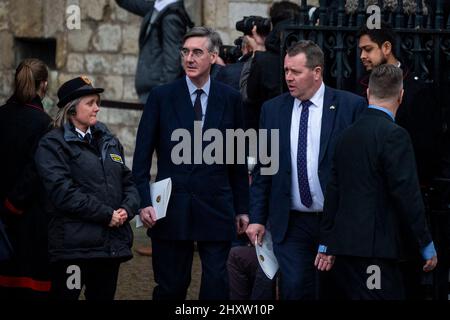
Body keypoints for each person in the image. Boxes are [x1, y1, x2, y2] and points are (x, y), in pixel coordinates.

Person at [133, 26, 249, 300]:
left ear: (213, 56)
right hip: (170, 208)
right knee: (171, 287)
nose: (189, 58)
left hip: (217, 207)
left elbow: (237, 159)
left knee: (216, 286)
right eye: (185, 52)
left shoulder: (230, 99)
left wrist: (242, 208)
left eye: (197, 52)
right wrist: (143, 202)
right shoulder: (161, 97)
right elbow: (140, 159)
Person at [246, 40, 367, 300]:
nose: (289, 77)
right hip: (291, 222)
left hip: (334, 220)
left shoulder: (350, 107)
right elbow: (263, 169)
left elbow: (359, 172)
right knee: (294, 288)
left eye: (296, 72)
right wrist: (256, 217)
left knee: (333, 290)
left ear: (316, 72)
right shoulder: (273, 110)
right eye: (286, 71)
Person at [315, 64, 438, 300]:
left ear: (368, 94)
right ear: (400, 96)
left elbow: (334, 192)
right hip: (378, 252)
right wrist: (425, 244)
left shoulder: (345, 136)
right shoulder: (395, 135)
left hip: (345, 251)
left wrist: (326, 243)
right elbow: (407, 195)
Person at [34, 76, 140, 300]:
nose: (97, 108)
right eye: (90, 103)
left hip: (108, 249)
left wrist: (126, 210)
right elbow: (64, 193)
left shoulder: (109, 140)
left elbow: (128, 181)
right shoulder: (53, 144)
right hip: (73, 252)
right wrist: (106, 214)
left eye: (97, 102)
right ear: (72, 110)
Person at [357, 22, 442, 299]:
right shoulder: (360, 86)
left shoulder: (416, 90)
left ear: (386, 48)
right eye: (360, 51)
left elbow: (427, 151)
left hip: (403, 201)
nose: (362, 57)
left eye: (368, 49)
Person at [0, 59, 52, 299]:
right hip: (29, 217)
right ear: (44, 85)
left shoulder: (2, 114)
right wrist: (14, 204)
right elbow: (36, 170)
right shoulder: (43, 123)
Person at [115, 0, 194, 103]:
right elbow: (125, 2)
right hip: (151, 92)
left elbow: (173, 64)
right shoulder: (158, 7)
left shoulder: (171, 16)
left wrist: (161, 97)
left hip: (158, 93)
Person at [240, 1, 301, 130]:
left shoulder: (264, 60)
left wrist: (257, 50)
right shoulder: (310, 49)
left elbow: (247, 95)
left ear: (272, 24)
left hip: (272, 127)